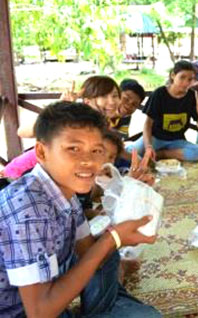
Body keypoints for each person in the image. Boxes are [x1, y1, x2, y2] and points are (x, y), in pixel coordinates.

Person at [0, 101, 161, 317]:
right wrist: (111, 239)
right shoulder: (29, 210)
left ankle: (106, 307)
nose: (88, 161)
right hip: (20, 311)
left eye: (96, 150)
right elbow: (39, 313)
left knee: (107, 252)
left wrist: (129, 196)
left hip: (46, 290)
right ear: (41, 151)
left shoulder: (62, 190)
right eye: (73, 149)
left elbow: (87, 251)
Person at [2, 76, 121, 180]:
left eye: (115, 96)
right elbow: (23, 132)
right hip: (18, 176)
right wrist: (59, 106)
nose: (112, 102)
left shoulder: (102, 126)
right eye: (104, 96)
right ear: (87, 101)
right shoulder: (72, 119)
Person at [126, 60, 198, 162]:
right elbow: (147, 124)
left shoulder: (192, 96)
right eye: (182, 77)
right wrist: (148, 147)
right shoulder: (159, 94)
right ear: (173, 75)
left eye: (190, 79)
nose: (186, 82)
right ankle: (155, 151)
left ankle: (161, 153)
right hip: (155, 138)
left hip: (177, 141)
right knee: (129, 153)